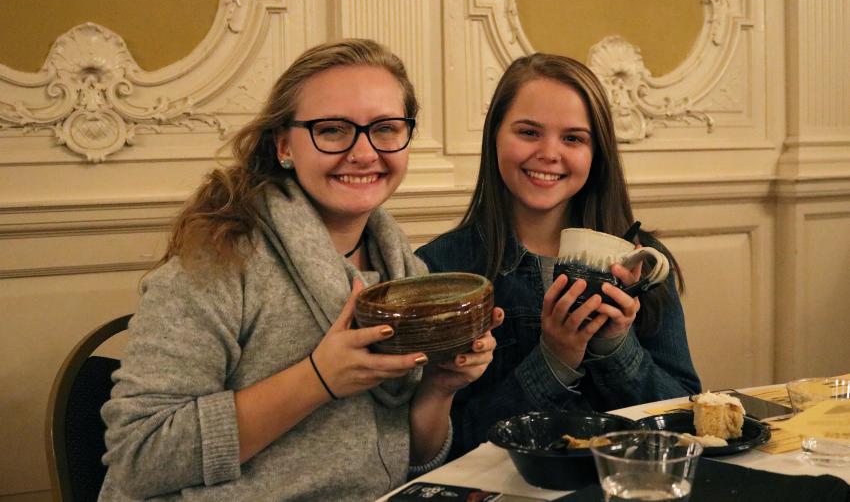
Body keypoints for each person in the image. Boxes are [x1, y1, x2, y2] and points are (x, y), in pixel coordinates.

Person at [98, 39, 501, 501]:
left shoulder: (406, 272)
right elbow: (140, 457)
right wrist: (319, 378)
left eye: (386, 128)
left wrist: (439, 388)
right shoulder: (216, 262)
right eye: (332, 130)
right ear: (285, 145)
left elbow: (403, 463)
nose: (365, 153)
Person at [415, 53, 701, 457]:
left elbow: (686, 419)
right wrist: (554, 360)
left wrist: (616, 347)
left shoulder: (644, 261)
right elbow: (449, 445)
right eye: (529, 132)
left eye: (573, 138)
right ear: (495, 135)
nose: (550, 153)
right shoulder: (442, 269)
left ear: (596, 153)